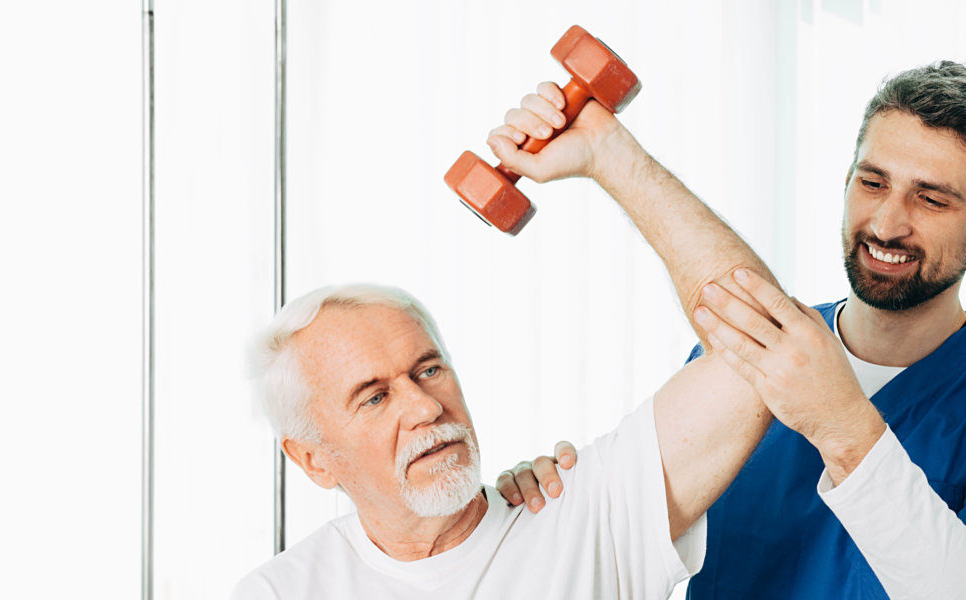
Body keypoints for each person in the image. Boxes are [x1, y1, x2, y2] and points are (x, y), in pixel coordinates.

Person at [498, 61, 966, 599]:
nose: (886, 223)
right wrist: (546, 504)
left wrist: (840, 422)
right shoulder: (746, 360)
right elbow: (623, 534)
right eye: (872, 182)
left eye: (931, 199)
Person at [229, 75, 811, 598]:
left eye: (428, 369)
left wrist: (608, 154)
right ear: (312, 460)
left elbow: (761, 339)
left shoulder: (585, 516)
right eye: (375, 396)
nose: (427, 407)